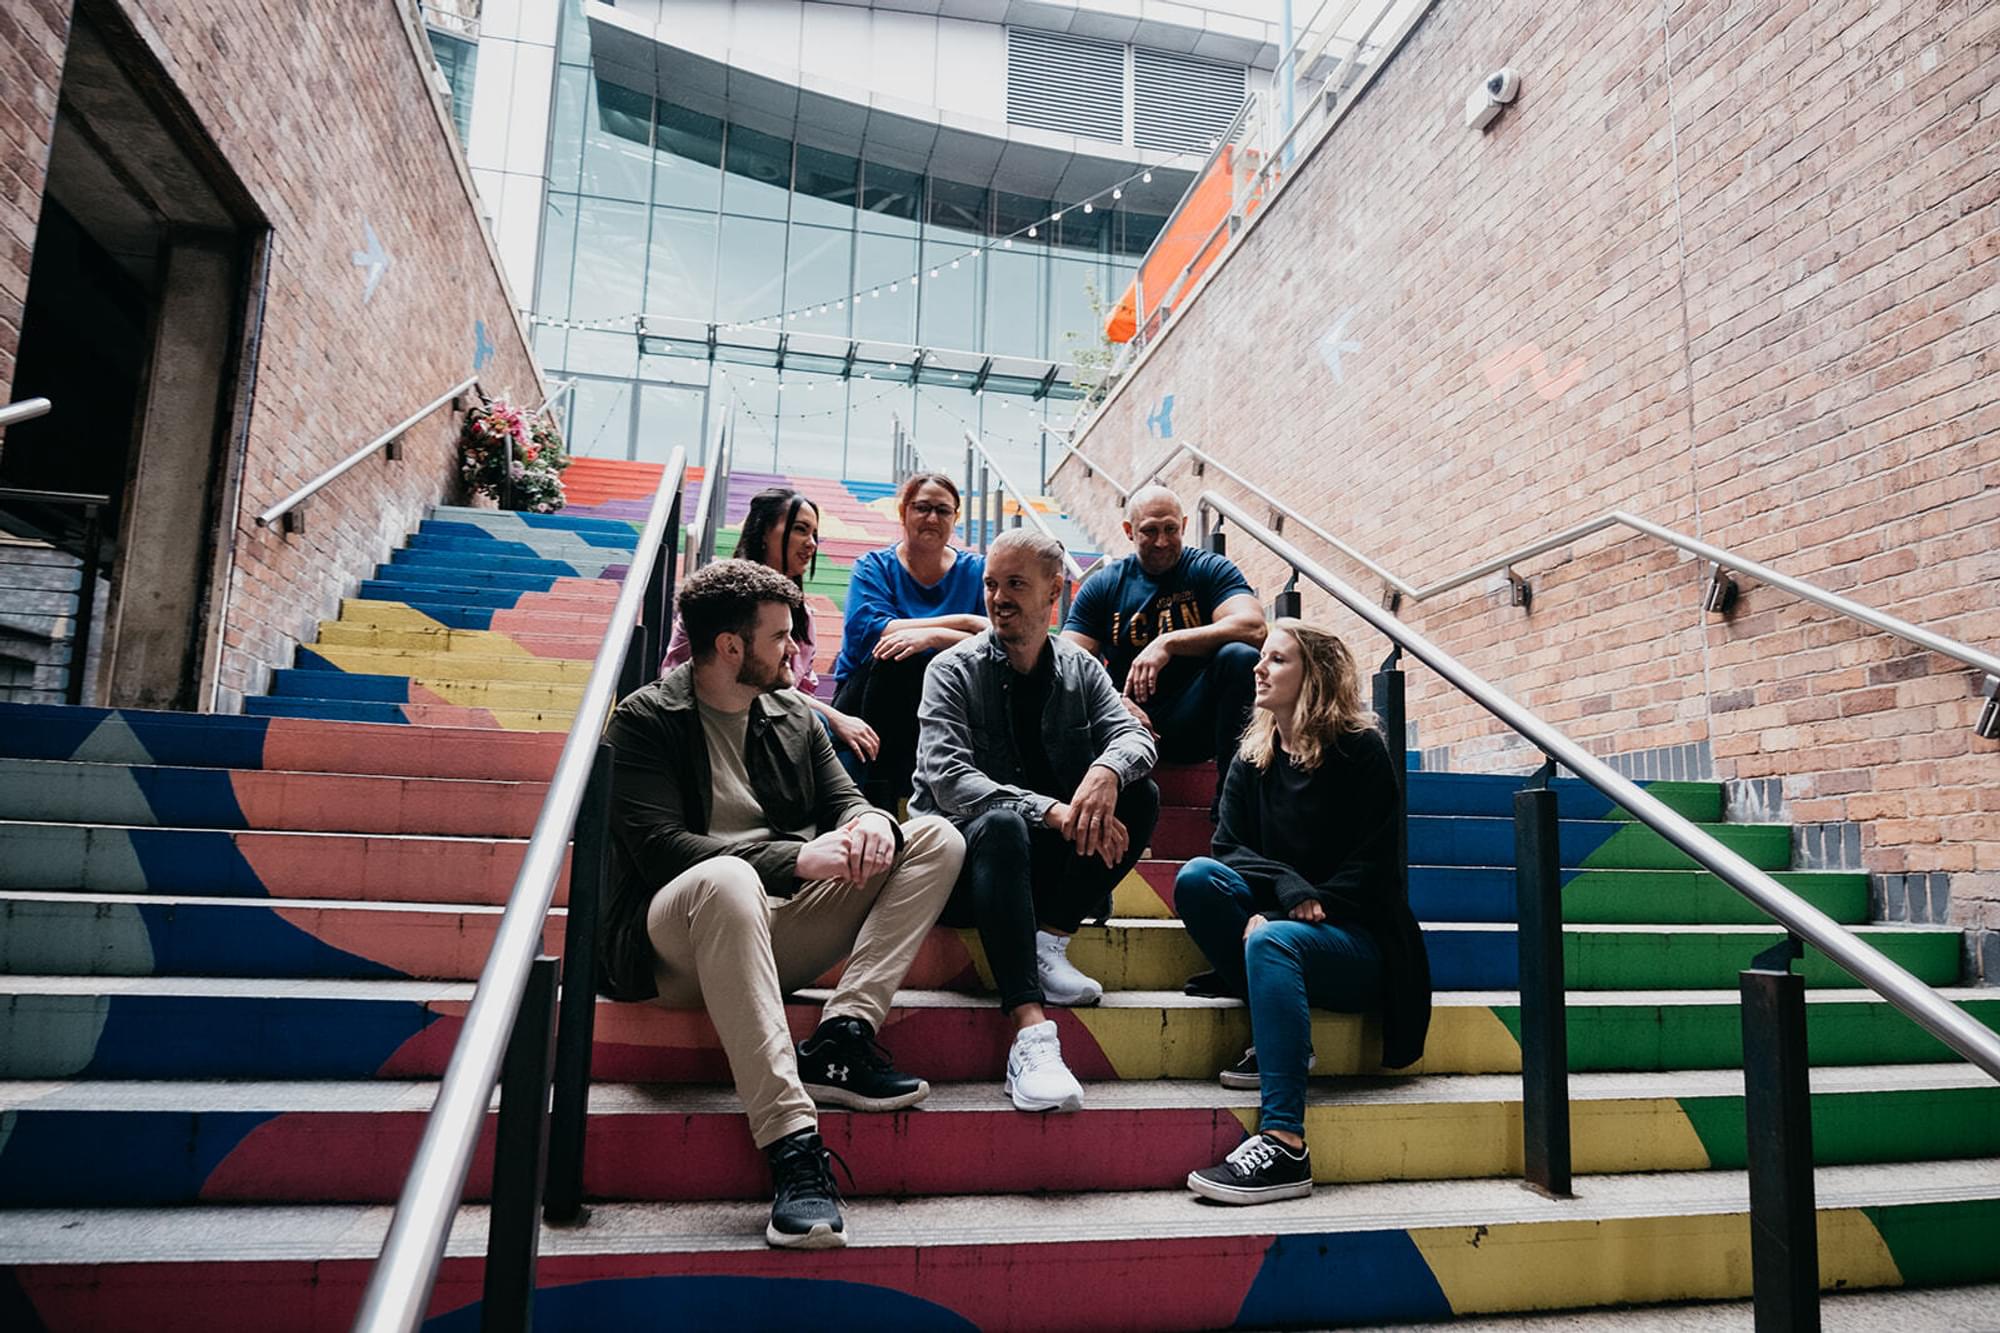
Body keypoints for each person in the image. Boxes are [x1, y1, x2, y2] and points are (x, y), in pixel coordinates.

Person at [601, 558, 965, 1249]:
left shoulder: (792, 711)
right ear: (730, 646)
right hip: (676, 947)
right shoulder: (645, 720)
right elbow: (661, 851)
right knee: (728, 879)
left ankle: (842, 1038)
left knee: (934, 838)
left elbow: (846, 799)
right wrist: (797, 858)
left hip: (775, 930)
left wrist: (868, 824)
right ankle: (793, 1145)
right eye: (779, 637)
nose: (795, 649)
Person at [1177, 619, 1431, 1205]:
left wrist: (1295, 912)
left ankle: (1285, 1144)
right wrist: (1285, 891)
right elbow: (1228, 848)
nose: (1258, 668)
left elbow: (1375, 868)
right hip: (1285, 926)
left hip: (1359, 943)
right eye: (1262, 657)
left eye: (1277, 659)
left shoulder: (1359, 752)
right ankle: (1285, 1041)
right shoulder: (1254, 756)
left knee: (1271, 941)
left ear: (1314, 675)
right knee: (1197, 879)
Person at [912, 528, 1159, 1114]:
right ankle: (1030, 1034)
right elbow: (949, 778)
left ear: (1055, 592)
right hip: (960, 868)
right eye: (991, 584)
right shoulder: (952, 669)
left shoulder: (1082, 669)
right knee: (1003, 824)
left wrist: (1106, 771)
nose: (998, 598)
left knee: (1140, 795)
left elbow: (1134, 738)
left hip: (1039, 869)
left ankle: (1048, 938)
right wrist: (1050, 809)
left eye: (1016, 585)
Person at [1061, 484, 1265, 802]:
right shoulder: (1104, 585)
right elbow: (1066, 661)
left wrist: (1167, 643)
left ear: (1184, 525)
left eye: (1171, 529)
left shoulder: (1208, 569)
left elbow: (1253, 626)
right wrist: (1114, 701)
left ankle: (1232, 805)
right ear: (1129, 531)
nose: (1162, 541)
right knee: (1071, 699)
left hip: (1194, 720)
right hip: (1126, 724)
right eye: (1150, 531)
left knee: (1239, 656)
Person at [662, 486, 880, 765]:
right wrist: (834, 716)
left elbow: (798, 691)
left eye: (814, 534)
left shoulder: (802, 615)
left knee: (855, 744)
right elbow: (745, 682)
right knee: (820, 725)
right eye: (800, 530)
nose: (811, 543)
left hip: (775, 718)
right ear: (764, 531)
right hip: (707, 713)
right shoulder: (721, 594)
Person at [831, 472, 988, 808]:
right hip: (869, 696)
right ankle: (881, 799)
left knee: (930, 666)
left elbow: (994, 640)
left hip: (949, 694)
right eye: (922, 507)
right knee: (899, 656)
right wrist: (963, 623)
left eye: (943, 510)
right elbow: (873, 630)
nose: (932, 518)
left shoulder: (977, 571)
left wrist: (932, 636)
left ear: (955, 518)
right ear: (903, 512)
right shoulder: (873, 566)